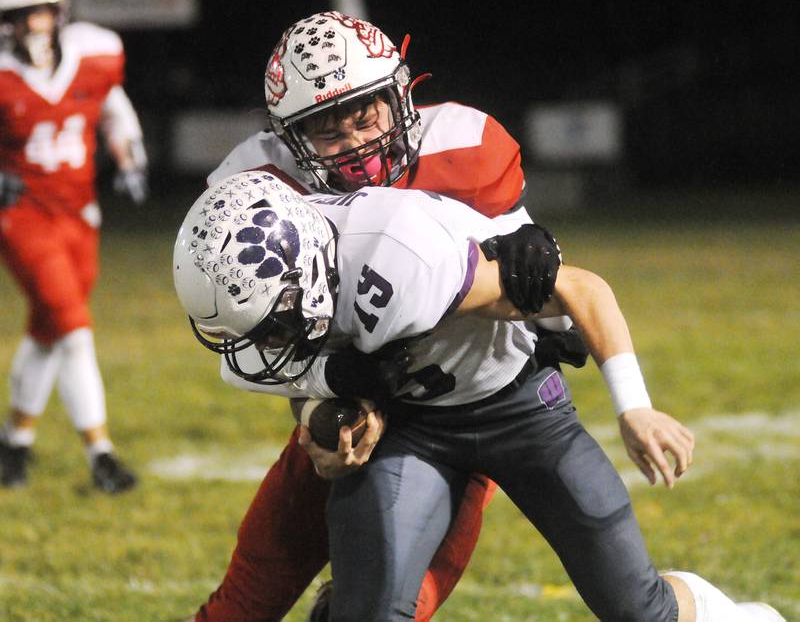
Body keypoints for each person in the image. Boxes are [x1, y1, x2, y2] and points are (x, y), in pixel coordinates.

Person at [174, 169, 786, 622]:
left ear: (307, 273)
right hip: (413, 428)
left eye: (273, 323)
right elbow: (308, 373)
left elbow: (579, 286)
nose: (263, 344)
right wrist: (332, 418)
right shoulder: (268, 308)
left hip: (517, 409)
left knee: (637, 610)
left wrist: (634, 405)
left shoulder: (402, 260)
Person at [188, 10, 583, 622]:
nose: (355, 143)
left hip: (457, 414)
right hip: (345, 388)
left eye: (364, 115)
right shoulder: (259, 187)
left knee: (397, 607)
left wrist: (538, 262)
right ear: (290, 138)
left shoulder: (464, 147)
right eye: (325, 128)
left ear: (399, 98)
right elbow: (252, 334)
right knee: (248, 599)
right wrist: (321, 397)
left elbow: (534, 288)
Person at [0, 0, 146, 492]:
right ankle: (100, 453)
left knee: (48, 328)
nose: (33, 25)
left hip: (80, 214)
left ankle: (14, 443)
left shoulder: (94, 53)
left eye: (40, 11)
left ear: (59, 12)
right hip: (22, 217)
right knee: (73, 327)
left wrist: (127, 154)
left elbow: (113, 106)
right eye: (21, 15)